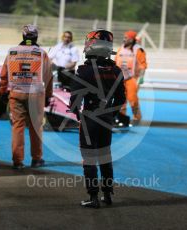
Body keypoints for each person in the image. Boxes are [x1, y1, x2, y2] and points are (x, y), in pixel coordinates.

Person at [69, 29, 126, 208]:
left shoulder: (85, 70)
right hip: (106, 118)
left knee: (89, 158)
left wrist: (78, 113)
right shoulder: (116, 70)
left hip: (90, 118)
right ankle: (108, 194)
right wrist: (111, 114)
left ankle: (93, 197)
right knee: (105, 156)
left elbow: (74, 100)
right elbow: (121, 99)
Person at [0, 25, 53, 169]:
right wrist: (49, 95)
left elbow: (4, 75)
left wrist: (3, 91)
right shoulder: (41, 53)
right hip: (36, 95)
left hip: (16, 94)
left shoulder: (12, 52)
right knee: (36, 128)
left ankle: (17, 161)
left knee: (18, 127)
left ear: (23, 36)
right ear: (36, 37)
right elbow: (48, 76)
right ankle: (36, 159)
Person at [115, 30, 147, 123]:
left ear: (131, 39)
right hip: (120, 79)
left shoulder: (138, 50)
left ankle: (137, 117)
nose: (124, 39)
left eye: (126, 38)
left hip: (132, 79)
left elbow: (143, 65)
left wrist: (141, 78)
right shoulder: (121, 49)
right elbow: (116, 61)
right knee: (121, 100)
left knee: (132, 99)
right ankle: (122, 117)